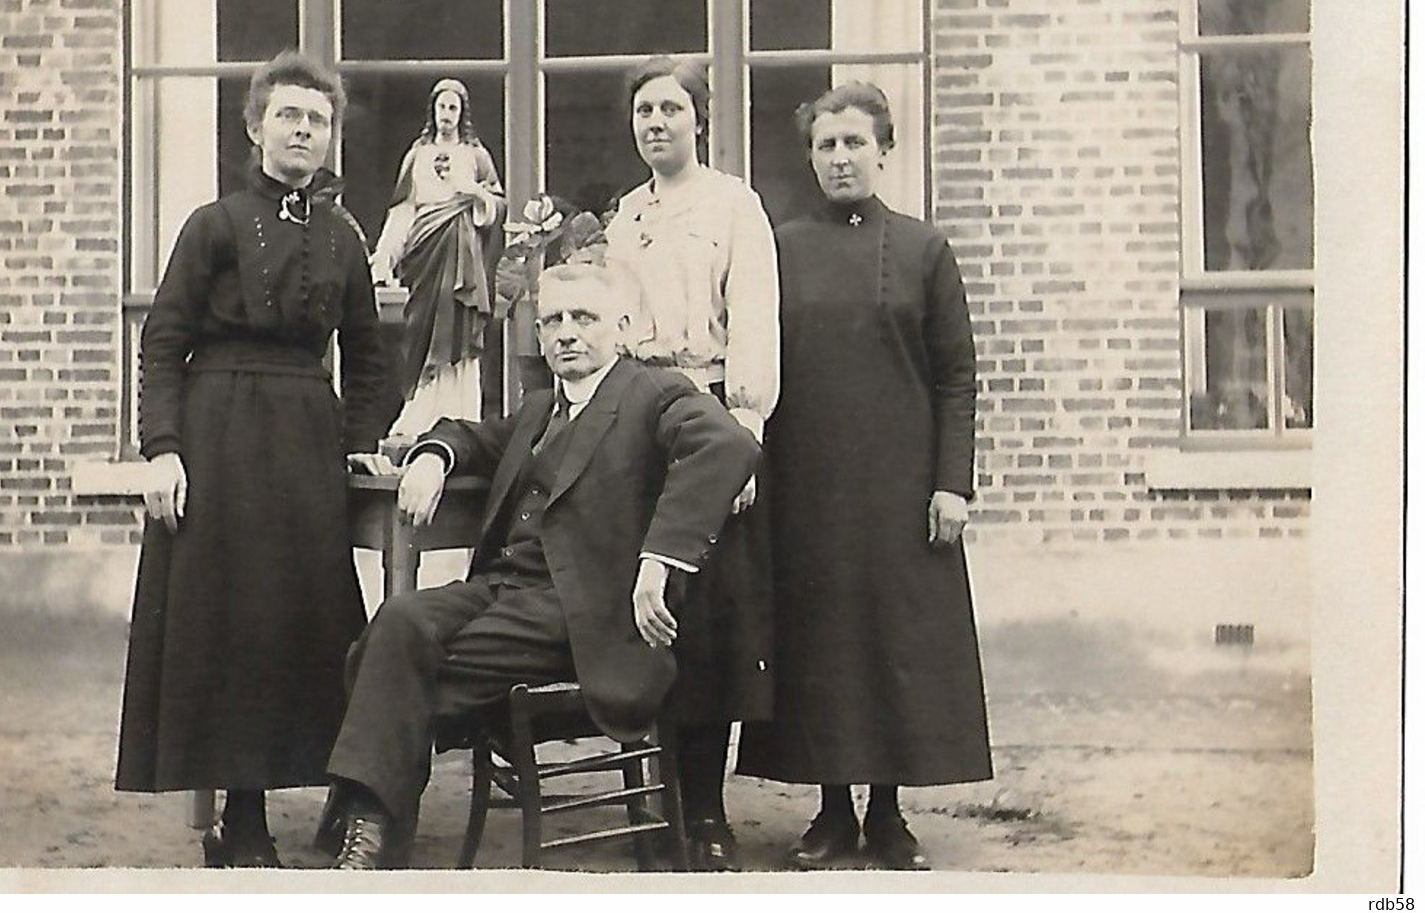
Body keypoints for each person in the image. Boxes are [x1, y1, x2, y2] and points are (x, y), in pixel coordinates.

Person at [311, 263, 760, 869]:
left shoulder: (654, 393)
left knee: (382, 661)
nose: (566, 333)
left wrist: (659, 561)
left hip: (583, 611)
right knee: (399, 619)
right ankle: (373, 815)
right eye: (553, 321)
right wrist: (434, 457)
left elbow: (727, 443)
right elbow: (469, 434)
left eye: (584, 318)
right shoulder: (540, 409)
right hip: (505, 590)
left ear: (622, 328)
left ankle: (369, 829)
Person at [114, 51, 392, 868]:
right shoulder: (213, 223)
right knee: (230, 624)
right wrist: (163, 449)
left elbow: (370, 357)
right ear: (256, 127)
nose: (303, 131)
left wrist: (356, 441)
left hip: (306, 436)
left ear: (331, 136)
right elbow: (163, 342)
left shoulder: (344, 236)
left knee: (301, 619)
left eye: (317, 120)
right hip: (219, 431)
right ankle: (241, 819)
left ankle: (341, 799)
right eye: (289, 116)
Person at [736, 82, 993, 871]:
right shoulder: (777, 248)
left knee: (893, 646)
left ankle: (887, 813)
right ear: (809, 157)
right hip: (806, 484)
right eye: (825, 145)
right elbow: (751, 362)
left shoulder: (924, 250)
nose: (840, 158)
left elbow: (957, 377)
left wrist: (951, 483)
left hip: (900, 489)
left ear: (884, 150)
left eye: (854, 143)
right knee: (821, 648)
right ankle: (829, 811)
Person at [600, 55, 781, 871]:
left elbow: (752, 317)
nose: (657, 124)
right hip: (638, 412)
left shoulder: (732, 204)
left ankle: (705, 814)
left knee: (705, 628)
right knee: (646, 615)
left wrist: (742, 432)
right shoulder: (623, 218)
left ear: (698, 119)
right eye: (644, 111)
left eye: (671, 108)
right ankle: (660, 809)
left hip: (708, 409)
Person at [370, 78, 505, 438]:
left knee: (460, 332)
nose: (446, 114)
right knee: (423, 332)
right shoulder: (418, 156)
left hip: (461, 252)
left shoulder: (476, 157)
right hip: (425, 253)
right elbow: (403, 211)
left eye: (453, 108)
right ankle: (421, 409)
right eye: (441, 107)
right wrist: (385, 255)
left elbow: (497, 206)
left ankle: (461, 414)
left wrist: (473, 192)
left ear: (462, 113)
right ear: (432, 110)